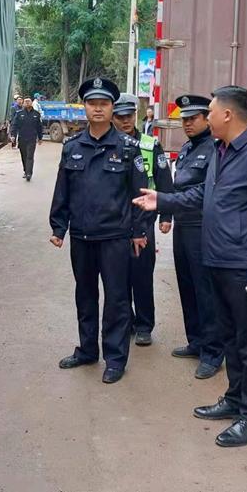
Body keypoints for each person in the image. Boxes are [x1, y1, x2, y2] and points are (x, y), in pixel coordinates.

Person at [134, 85, 247, 447]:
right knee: (230, 338)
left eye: (212, 111)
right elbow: (204, 194)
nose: (208, 117)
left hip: (243, 265)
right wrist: (163, 200)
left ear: (228, 115)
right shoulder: (221, 151)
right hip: (217, 259)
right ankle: (235, 399)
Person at [49, 77, 150, 384]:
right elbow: (62, 190)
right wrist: (59, 227)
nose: (97, 109)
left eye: (104, 104)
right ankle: (87, 350)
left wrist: (139, 231)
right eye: (92, 103)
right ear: (84, 107)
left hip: (115, 237)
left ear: (111, 109)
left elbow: (139, 194)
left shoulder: (128, 148)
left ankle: (115, 359)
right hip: (81, 236)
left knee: (117, 299)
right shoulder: (72, 147)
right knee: (85, 295)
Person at [168, 94, 224, 379]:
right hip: (182, 226)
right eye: (184, 120)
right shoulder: (188, 148)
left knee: (205, 292)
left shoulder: (215, 149)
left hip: (202, 229)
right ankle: (196, 341)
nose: (187, 124)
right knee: (187, 286)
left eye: (193, 119)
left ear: (206, 119)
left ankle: (212, 353)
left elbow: (206, 191)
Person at [112, 93, 173, 347]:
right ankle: (126, 321)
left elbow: (164, 180)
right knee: (118, 277)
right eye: (120, 117)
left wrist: (166, 215)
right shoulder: (108, 143)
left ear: (135, 116)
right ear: (113, 117)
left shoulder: (149, 144)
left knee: (141, 275)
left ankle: (144, 325)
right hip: (115, 221)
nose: (125, 121)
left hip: (143, 220)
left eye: (129, 116)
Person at [11, 97, 43, 181]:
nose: (27, 103)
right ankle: (25, 170)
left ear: (31, 103)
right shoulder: (19, 114)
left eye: (29, 101)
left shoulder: (36, 114)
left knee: (30, 156)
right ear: (23, 103)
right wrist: (13, 135)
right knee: (24, 156)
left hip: (32, 139)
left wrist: (40, 138)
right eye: (26, 101)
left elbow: (39, 127)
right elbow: (14, 125)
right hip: (22, 138)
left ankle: (29, 173)